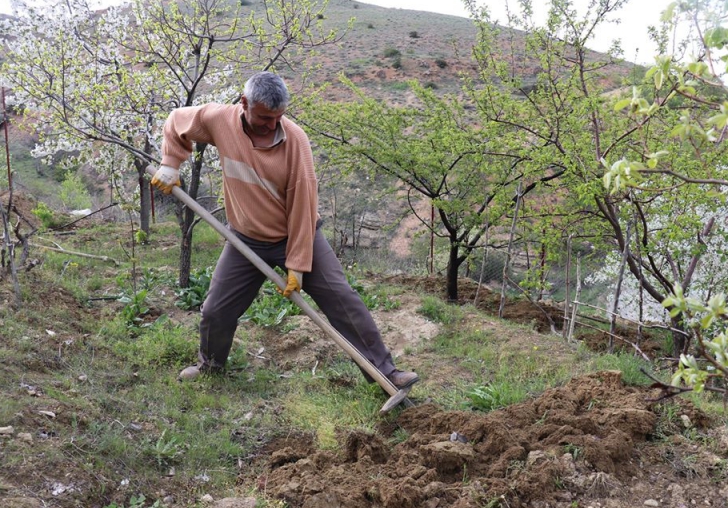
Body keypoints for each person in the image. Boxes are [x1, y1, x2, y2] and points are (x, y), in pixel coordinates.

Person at [151, 71, 419, 390]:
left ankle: (384, 373)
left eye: (278, 117)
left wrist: (298, 261)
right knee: (216, 309)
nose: (271, 125)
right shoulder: (218, 119)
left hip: (296, 233)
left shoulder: (295, 141)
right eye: (264, 117)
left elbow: (303, 206)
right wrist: (171, 162)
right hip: (244, 238)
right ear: (244, 103)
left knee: (343, 300)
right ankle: (210, 366)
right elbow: (176, 121)